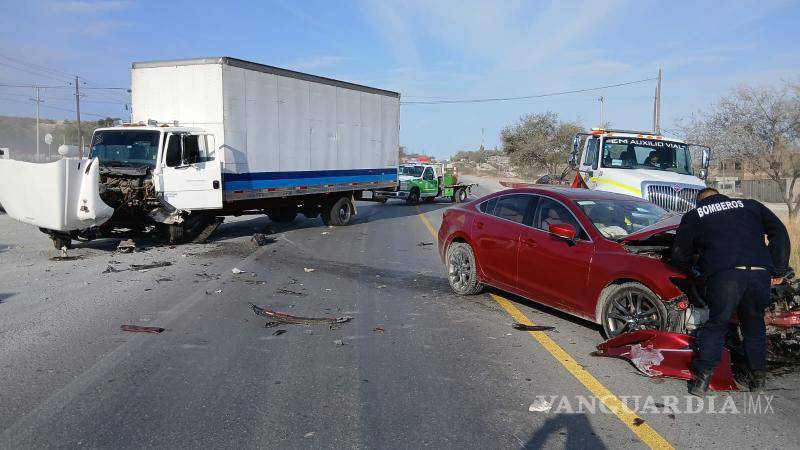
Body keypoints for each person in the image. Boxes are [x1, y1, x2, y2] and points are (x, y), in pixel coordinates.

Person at [672, 187, 790, 396]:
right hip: (759, 274)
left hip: (726, 276)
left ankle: (702, 381)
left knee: (717, 325)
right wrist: (778, 268)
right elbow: (779, 232)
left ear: (701, 202)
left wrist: (694, 270)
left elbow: (680, 252)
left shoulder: (695, 214)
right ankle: (758, 380)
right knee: (754, 327)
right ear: (722, 196)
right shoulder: (752, 205)